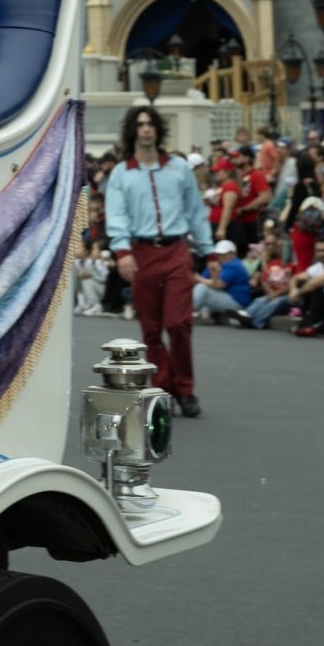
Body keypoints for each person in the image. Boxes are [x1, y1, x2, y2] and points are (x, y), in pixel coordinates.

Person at [104, 105, 213, 417]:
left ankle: (185, 388)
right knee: (151, 330)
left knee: (178, 323)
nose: (146, 129)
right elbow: (116, 214)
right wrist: (123, 251)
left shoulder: (178, 168)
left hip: (176, 250)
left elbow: (195, 211)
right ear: (133, 131)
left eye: (150, 123)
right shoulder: (121, 173)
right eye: (140, 124)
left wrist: (209, 251)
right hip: (142, 253)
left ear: (158, 129)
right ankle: (164, 388)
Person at [287, 236, 324, 335]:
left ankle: (311, 323)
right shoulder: (318, 266)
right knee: (301, 284)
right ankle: (306, 321)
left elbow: (316, 282)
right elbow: (295, 278)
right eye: (319, 251)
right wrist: (293, 290)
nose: (322, 254)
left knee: (318, 287)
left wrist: (298, 293)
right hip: (322, 302)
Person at [192, 239, 251, 323]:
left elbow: (219, 285)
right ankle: (203, 312)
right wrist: (198, 279)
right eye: (218, 254)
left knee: (202, 288)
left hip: (237, 302)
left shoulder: (235, 265)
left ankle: (187, 311)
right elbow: (204, 279)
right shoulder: (217, 263)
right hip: (225, 297)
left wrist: (198, 278)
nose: (221, 256)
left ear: (233, 253)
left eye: (224, 254)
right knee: (199, 288)